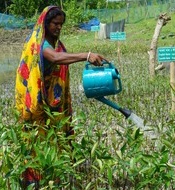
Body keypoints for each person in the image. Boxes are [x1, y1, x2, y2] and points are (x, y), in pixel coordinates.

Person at [15, 5, 107, 188]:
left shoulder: (56, 44)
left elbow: (61, 57)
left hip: (52, 106)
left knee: (53, 142)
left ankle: (53, 179)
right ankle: (35, 181)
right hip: (38, 108)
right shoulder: (42, 45)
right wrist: (86, 55)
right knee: (38, 145)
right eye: (55, 24)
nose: (58, 28)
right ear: (46, 24)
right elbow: (55, 58)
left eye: (61, 24)